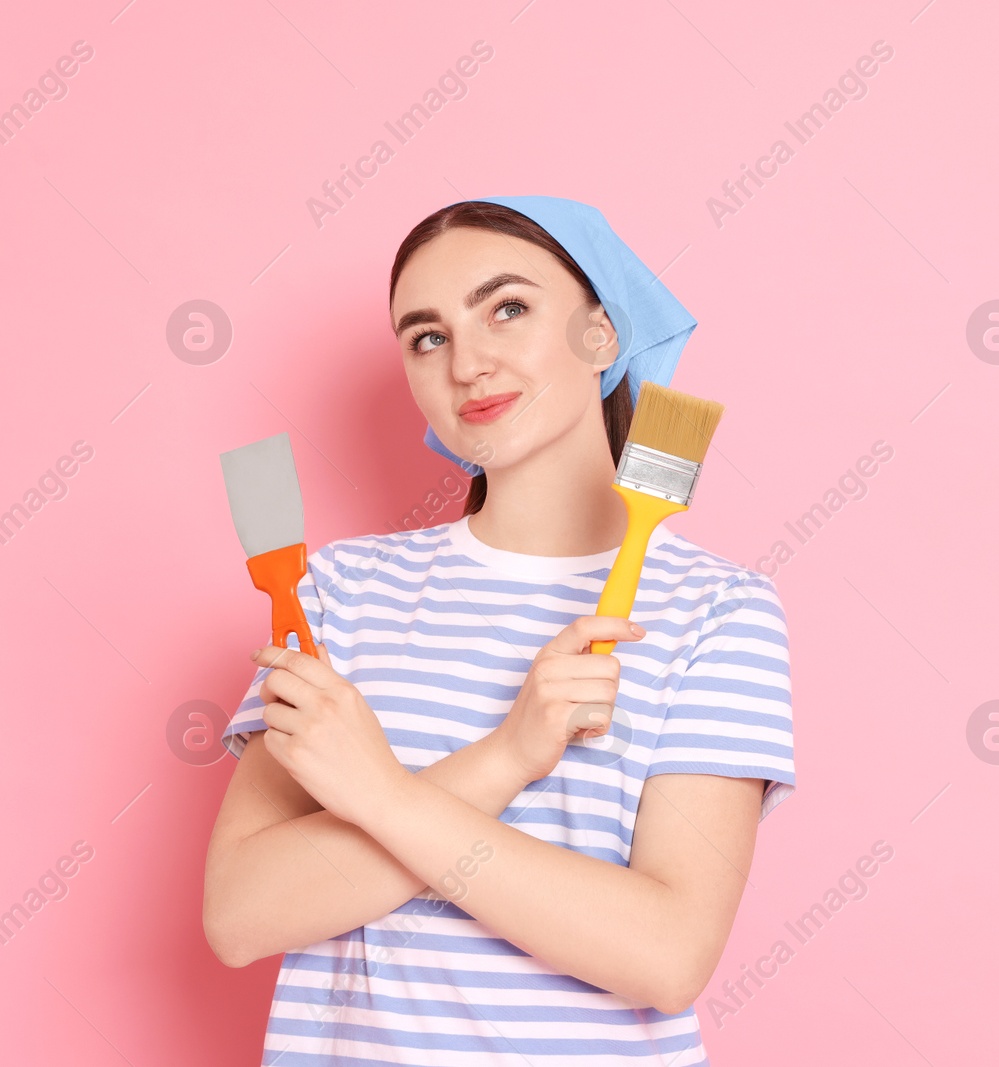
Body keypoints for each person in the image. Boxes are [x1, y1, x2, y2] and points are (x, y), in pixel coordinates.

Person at [202, 195, 796, 1065]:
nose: (468, 362)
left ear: (603, 334)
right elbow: (241, 914)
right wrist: (507, 755)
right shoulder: (338, 590)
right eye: (427, 336)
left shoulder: (716, 612)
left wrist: (381, 791)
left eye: (506, 309)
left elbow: (665, 956)